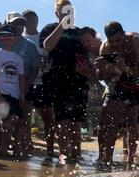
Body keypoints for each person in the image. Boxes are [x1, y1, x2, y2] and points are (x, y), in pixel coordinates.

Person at [95, 21, 139, 170]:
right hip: (121, 78)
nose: (116, 44)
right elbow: (102, 78)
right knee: (107, 115)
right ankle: (105, 158)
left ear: (124, 34)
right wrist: (101, 70)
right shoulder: (105, 47)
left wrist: (126, 68)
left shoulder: (136, 40)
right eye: (112, 41)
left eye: (119, 40)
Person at [40, 0, 93, 165]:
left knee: (76, 122)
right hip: (59, 81)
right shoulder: (49, 29)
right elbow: (47, 46)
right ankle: (64, 154)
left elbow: (90, 56)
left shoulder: (80, 32)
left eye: (69, 10)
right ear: (57, 13)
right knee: (63, 120)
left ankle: (76, 155)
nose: (67, 13)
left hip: (80, 82)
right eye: (63, 11)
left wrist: (89, 72)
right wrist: (62, 26)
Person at [0, 12, 40, 157]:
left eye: (21, 23)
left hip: (19, 90)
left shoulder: (29, 47)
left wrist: (23, 90)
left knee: (20, 121)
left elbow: (32, 70)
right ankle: (1, 148)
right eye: (15, 23)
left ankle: (18, 148)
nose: (19, 26)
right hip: (0, 90)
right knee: (1, 121)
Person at [22, 10, 55, 159]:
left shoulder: (43, 37)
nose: (29, 22)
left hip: (43, 82)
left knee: (48, 116)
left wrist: (46, 62)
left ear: (36, 20)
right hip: (26, 82)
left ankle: (50, 148)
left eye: (31, 19)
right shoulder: (20, 39)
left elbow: (51, 57)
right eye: (26, 20)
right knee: (25, 115)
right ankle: (27, 144)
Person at [0, 24, 27, 159]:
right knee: (1, 123)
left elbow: (21, 78)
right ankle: (1, 148)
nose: (7, 39)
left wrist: (22, 94)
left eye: (10, 36)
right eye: (4, 36)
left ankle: (10, 149)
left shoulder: (18, 59)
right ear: (0, 38)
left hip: (14, 95)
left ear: (15, 38)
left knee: (14, 122)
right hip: (1, 93)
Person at [80, 26, 105, 138]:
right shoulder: (86, 55)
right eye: (83, 42)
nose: (86, 44)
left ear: (96, 38)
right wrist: (88, 73)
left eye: (88, 41)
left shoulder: (106, 48)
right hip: (99, 87)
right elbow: (94, 79)